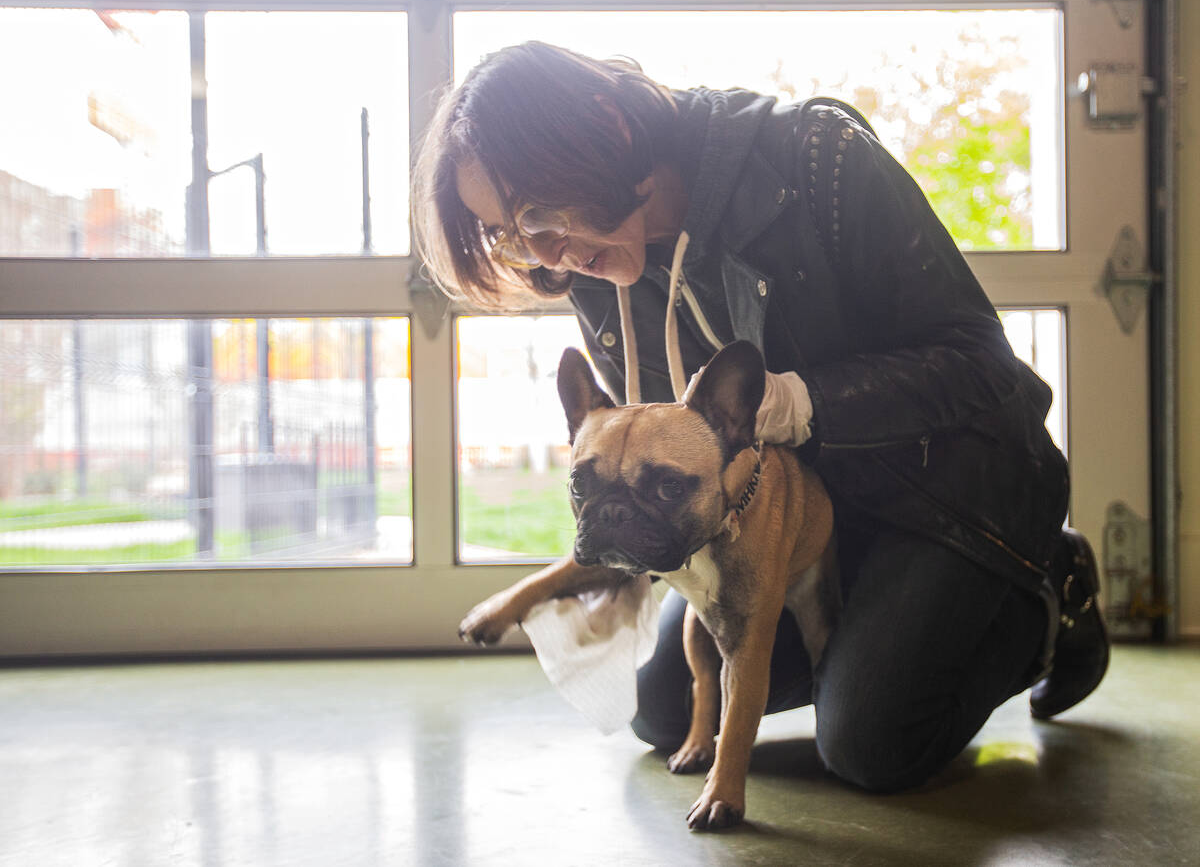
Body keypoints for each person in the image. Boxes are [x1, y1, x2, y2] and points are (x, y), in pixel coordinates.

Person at [412, 41, 1110, 792]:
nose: (545, 258)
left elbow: (980, 361)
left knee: (872, 743)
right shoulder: (594, 266)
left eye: (540, 215)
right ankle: (868, 649)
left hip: (942, 498)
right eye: (513, 238)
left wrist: (805, 402)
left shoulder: (819, 160)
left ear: (609, 130)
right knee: (664, 712)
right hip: (791, 520)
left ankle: (1049, 600)